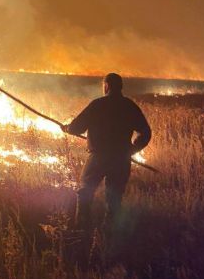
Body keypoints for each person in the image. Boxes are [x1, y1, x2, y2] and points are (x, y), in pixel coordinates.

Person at [62, 73, 151, 236]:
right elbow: (146, 133)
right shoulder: (130, 106)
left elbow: (77, 127)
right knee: (115, 197)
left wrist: (67, 128)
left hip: (98, 158)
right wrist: (132, 149)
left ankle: (82, 229)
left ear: (107, 86)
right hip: (121, 160)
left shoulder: (98, 104)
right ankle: (110, 233)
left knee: (85, 191)